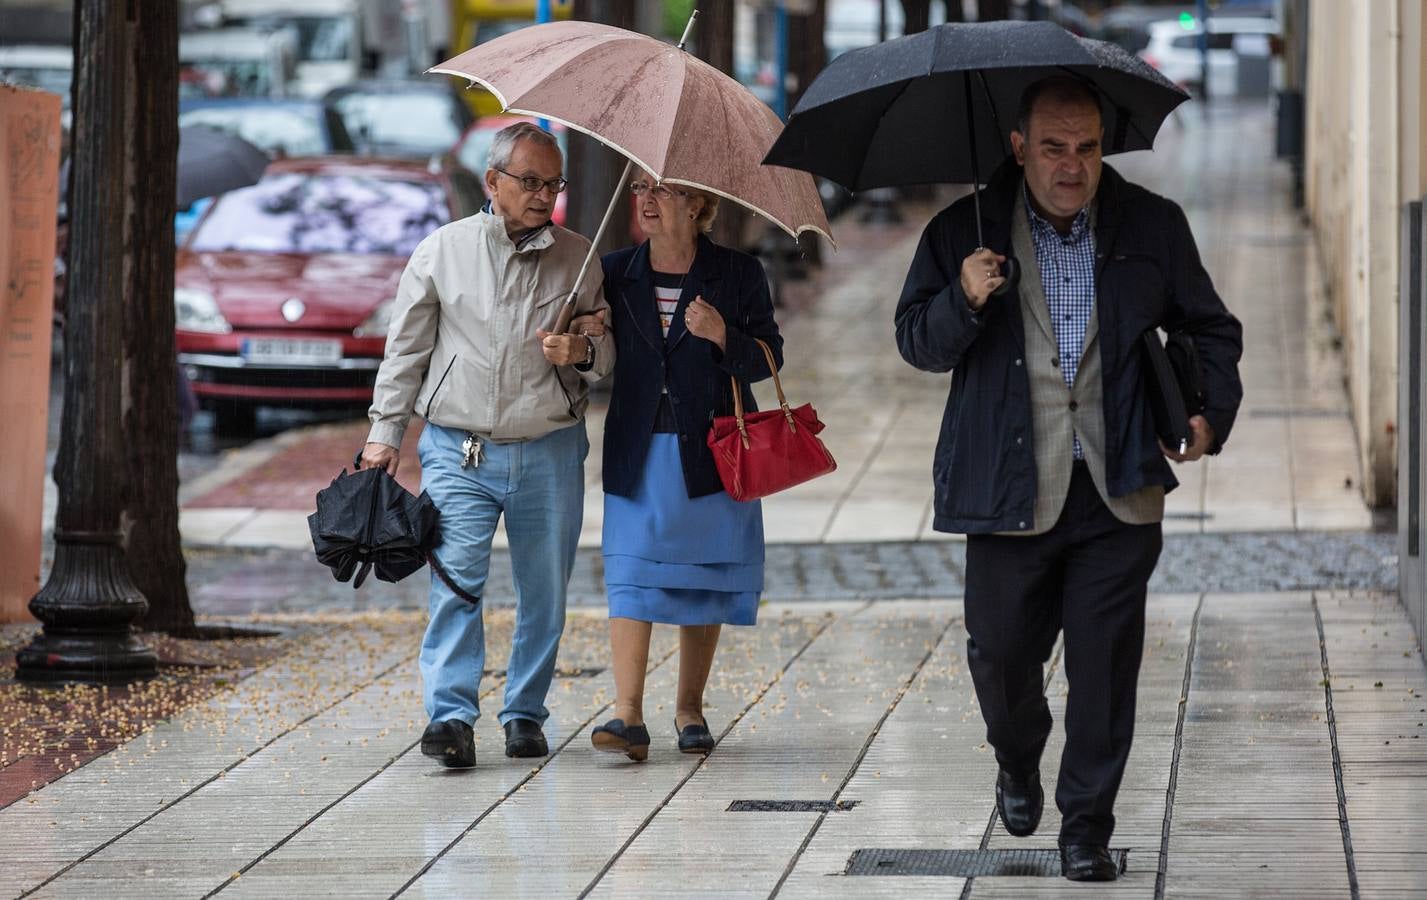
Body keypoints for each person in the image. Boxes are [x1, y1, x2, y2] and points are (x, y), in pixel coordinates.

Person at [894, 77, 1243, 882]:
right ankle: (1017, 759)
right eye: (1052, 147)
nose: (1071, 164)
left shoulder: (1151, 226)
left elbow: (1208, 326)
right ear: (1018, 147)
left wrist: (1207, 412)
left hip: (1118, 483)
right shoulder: (961, 232)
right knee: (1002, 656)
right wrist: (963, 298)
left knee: (1104, 670)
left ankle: (1085, 826)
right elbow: (917, 341)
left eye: (1086, 146)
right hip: (1007, 488)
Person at [360, 122, 614, 769]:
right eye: (528, 181)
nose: (541, 195)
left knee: (544, 591)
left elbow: (608, 356)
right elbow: (406, 350)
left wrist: (582, 350)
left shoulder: (579, 259)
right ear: (492, 182)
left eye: (551, 183)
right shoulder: (442, 251)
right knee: (455, 583)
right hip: (458, 449)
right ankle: (449, 717)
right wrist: (383, 435)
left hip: (550, 447)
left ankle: (525, 712)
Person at [570, 176, 781, 761]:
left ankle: (690, 710)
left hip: (710, 447)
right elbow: (595, 351)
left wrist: (723, 337)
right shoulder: (613, 271)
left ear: (697, 204)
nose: (647, 199)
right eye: (640, 187)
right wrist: (587, 333)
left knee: (701, 578)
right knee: (630, 577)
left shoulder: (739, 274)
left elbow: (770, 357)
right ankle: (628, 715)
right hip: (638, 448)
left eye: (664, 190)